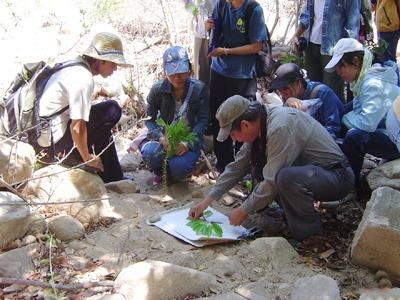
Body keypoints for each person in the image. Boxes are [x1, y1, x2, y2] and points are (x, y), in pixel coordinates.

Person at [189, 95, 354, 240]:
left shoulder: (280, 127)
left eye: (233, 134)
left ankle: (308, 233)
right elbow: (236, 168)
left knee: (284, 177)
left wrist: (243, 210)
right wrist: (206, 202)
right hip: (315, 175)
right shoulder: (260, 124)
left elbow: (271, 181)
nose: (235, 139)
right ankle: (292, 217)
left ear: (246, 125)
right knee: (264, 168)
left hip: (337, 177)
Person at [37, 32, 130, 183]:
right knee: (112, 110)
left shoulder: (72, 65)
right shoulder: (83, 78)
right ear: (100, 61)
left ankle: (112, 176)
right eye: (113, 63)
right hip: (52, 142)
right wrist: (87, 157)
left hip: (43, 135)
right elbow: (77, 127)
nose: (115, 68)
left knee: (103, 126)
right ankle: (100, 169)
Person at [325, 38, 400, 194]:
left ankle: (350, 187)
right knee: (342, 117)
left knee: (354, 136)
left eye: (341, 66)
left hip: (396, 141)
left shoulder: (372, 84)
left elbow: (367, 124)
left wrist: (343, 119)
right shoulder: (364, 80)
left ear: (356, 61)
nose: (338, 72)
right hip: (389, 132)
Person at [206, 0, 268, 173]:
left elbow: (257, 46)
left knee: (243, 119)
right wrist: (208, 27)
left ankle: (245, 165)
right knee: (219, 116)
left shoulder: (252, 9)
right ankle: (223, 164)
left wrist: (226, 51)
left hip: (242, 73)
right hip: (218, 69)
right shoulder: (221, 5)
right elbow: (215, 33)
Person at [140, 46, 209, 185]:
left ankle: (176, 171)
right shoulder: (157, 90)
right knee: (149, 153)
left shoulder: (199, 89)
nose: (177, 77)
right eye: (172, 73)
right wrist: (160, 137)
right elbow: (149, 119)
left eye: (181, 72)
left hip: (187, 137)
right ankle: (162, 172)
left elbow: (203, 120)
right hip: (165, 136)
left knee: (179, 166)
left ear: (189, 70)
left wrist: (188, 143)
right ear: (165, 72)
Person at [291, 0, 361, 101]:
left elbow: (353, 23)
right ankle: (316, 117)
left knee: (332, 92)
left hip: (333, 49)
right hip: (311, 45)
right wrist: (296, 36)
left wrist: (347, 52)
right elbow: (306, 14)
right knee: (312, 91)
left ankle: (337, 116)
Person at [270, 63, 343, 140]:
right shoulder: (288, 100)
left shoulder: (322, 93)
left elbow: (334, 130)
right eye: (279, 90)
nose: (283, 94)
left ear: (298, 83)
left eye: (285, 88)